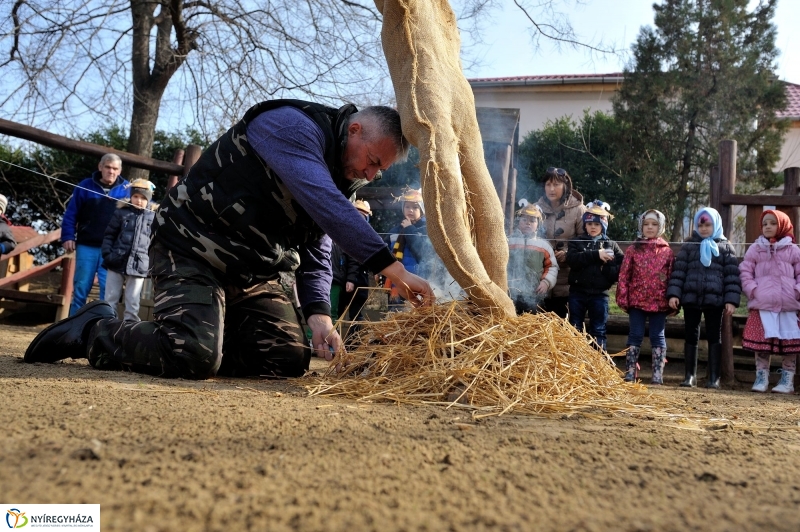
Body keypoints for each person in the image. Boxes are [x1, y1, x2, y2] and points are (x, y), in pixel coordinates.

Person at [25, 100, 433, 380]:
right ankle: (96, 329)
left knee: (287, 357)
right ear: (355, 130)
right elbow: (324, 203)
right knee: (192, 356)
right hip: (191, 247)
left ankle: (204, 334)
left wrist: (318, 315)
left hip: (253, 270)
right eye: (374, 161)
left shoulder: (342, 178)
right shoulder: (292, 126)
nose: (372, 174)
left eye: (379, 170)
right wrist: (391, 266)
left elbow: (317, 245)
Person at [667, 207, 741, 389]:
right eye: (701, 225)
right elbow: (679, 272)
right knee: (691, 334)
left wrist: (731, 300)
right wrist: (674, 294)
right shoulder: (689, 246)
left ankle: (714, 377)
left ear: (715, 225)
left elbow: (732, 276)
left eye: (708, 225)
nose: (704, 229)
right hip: (691, 298)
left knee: (714, 336)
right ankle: (689, 375)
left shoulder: (725, 247)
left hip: (714, 301)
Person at [61, 154, 130, 316]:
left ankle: (104, 329)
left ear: (120, 170)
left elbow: (135, 217)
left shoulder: (127, 189)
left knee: (109, 292)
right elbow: (71, 213)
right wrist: (67, 236)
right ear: (100, 167)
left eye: (115, 168)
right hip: (87, 245)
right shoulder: (85, 186)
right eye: (108, 167)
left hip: (112, 249)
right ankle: (73, 329)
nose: (111, 171)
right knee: (80, 289)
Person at [740, 210, 800, 394]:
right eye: (765, 223)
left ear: (782, 225)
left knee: (789, 345)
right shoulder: (755, 248)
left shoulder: (793, 250)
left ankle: (787, 380)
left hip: (788, 306)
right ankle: (761, 377)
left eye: (772, 223)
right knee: (762, 344)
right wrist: (753, 290)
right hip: (763, 304)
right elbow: (745, 271)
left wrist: (796, 292)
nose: (767, 227)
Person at [616, 209, 674, 383]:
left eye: (654, 224)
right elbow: (624, 275)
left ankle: (657, 373)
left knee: (658, 335)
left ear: (661, 227)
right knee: (635, 334)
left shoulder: (667, 252)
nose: (650, 227)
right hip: (636, 300)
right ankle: (630, 371)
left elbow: (672, 276)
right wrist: (623, 297)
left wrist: (672, 298)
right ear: (641, 226)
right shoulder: (633, 249)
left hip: (659, 301)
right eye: (646, 224)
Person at [565, 200, 623, 352]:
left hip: (600, 294)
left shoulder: (612, 245)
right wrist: (597, 255)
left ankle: (598, 363)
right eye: (590, 224)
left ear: (603, 226)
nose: (593, 227)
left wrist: (605, 269)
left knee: (598, 329)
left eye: (597, 224)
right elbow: (573, 260)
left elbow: (621, 269)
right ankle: (574, 359)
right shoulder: (577, 242)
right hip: (577, 292)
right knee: (575, 328)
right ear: (585, 224)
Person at [100, 179, 157, 322]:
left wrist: (150, 261)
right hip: (116, 260)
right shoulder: (121, 213)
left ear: (149, 199)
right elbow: (109, 235)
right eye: (136, 196)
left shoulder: (154, 217)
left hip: (139, 264)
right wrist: (107, 254)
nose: (139, 200)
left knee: (133, 300)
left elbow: (156, 242)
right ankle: (108, 324)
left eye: (143, 198)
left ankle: (130, 327)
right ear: (131, 196)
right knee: (110, 297)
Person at [535, 167, 586, 318]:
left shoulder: (579, 210)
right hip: (540, 275)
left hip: (568, 277)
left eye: (556, 184)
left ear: (566, 187)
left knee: (563, 322)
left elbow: (586, 241)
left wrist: (569, 253)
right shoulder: (537, 209)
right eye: (548, 185)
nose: (551, 189)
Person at [384, 188, 431, 310]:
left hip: (417, 281)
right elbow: (384, 253)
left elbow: (422, 253)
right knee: (395, 315)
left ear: (422, 210)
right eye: (407, 207)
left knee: (414, 315)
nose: (410, 210)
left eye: (415, 207)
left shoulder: (426, 230)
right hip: (395, 282)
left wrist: (410, 229)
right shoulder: (394, 231)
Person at [506, 201, 557, 314]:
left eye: (532, 221)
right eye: (524, 220)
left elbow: (552, 266)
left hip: (534, 294)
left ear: (538, 224)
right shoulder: (508, 242)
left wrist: (546, 282)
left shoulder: (543, 245)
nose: (528, 223)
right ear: (518, 221)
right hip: (510, 292)